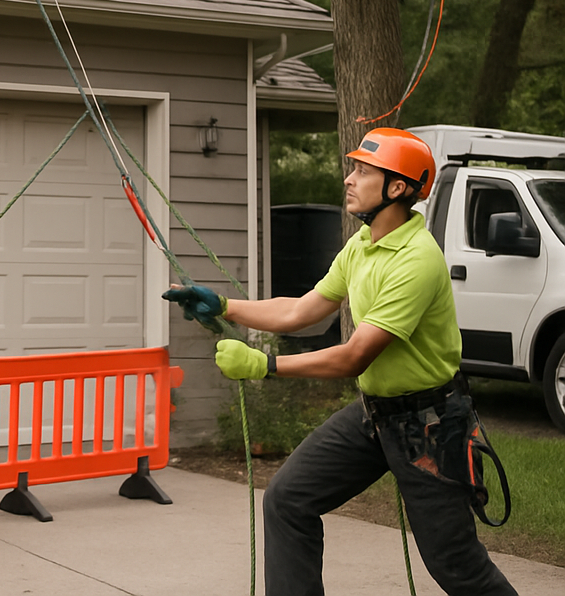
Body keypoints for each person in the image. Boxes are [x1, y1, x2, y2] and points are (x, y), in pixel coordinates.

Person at [164, 127, 517, 596]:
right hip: (376, 415)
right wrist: (225, 306)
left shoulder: (416, 259)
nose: (349, 179)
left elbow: (355, 355)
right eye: (353, 168)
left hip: (430, 426)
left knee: (456, 565)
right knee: (288, 499)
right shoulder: (362, 245)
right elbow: (299, 310)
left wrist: (264, 366)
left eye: (363, 171)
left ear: (397, 187)